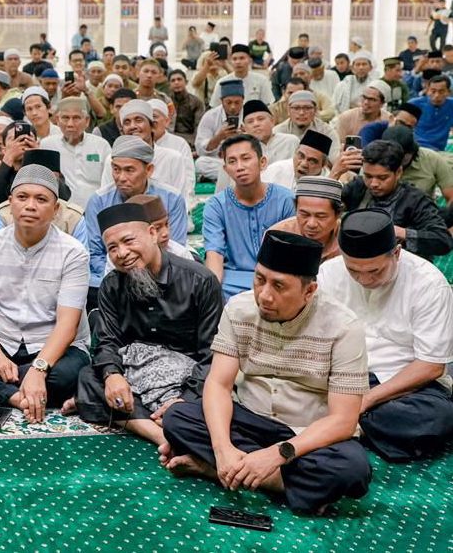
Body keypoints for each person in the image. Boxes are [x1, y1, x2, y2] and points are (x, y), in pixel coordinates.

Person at [160, 230, 372, 514]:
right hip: (250, 418)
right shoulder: (238, 309)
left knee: (352, 468)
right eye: (260, 279)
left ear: (309, 291)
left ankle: (218, 470)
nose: (265, 295)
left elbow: (343, 421)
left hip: (306, 432)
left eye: (279, 286)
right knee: (177, 417)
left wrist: (277, 454)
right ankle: (250, 472)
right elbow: (219, 385)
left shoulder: (344, 327)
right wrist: (222, 449)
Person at [75, 203, 222, 447]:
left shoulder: (201, 280)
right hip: (135, 372)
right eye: (112, 248)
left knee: (211, 402)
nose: (122, 253)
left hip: (187, 379)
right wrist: (112, 375)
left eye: (128, 241)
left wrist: (185, 398)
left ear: (153, 233)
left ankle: (144, 415)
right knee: (89, 376)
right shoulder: (111, 285)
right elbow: (108, 341)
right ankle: (159, 435)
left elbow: (213, 353)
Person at [317, 209, 453, 462]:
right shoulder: (329, 272)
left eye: (375, 271)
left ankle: (340, 420)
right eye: (353, 271)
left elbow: (431, 365)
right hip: (342, 373)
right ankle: (352, 421)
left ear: (397, 253)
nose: (364, 279)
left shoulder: (429, 285)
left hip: (402, 385)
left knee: (438, 417)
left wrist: (366, 400)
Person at [0, 164, 89, 420]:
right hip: (3, 339)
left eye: (41, 199)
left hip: (52, 346)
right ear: (10, 203)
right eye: (22, 197)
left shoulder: (73, 253)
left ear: (56, 209)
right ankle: (16, 395)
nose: (30, 206)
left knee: (67, 375)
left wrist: (39, 369)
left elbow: (67, 324)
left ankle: (7, 385)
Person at [81, 136, 188, 300]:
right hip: (116, 272)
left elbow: (174, 246)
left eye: (129, 170)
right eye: (116, 169)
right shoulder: (99, 201)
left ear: (149, 170)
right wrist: (121, 276)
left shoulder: (172, 198)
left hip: (163, 275)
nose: (121, 177)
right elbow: (95, 253)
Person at [203, 134, 296, 299]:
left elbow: (292, 252)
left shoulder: (286, 200)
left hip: (276, 278)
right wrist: (212, 291)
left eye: (246, 158)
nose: (239, 167)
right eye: (232, 161)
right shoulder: (216, 205)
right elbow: (214, 253)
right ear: (225, 169)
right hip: (232, 282)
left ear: (262, 162)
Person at [341, 140, 453, 260]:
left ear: (398, 172)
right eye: (368, 176)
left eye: (382, 177)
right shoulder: (359, 187)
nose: (373, 184)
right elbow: (330, 206)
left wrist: (401, 233)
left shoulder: (415, 200)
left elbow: (442, 240)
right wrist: (336, 173)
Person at [215, 99, 298, 191]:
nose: (256, 124)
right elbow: (223, 186)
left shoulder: (290, 141)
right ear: (244, 128)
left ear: (272, 121)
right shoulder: (238, 147)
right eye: (250, 121)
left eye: (260, 119)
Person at [269, 176, 345, 261]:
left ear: (338, 214)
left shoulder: (349, 241)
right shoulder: (277, 237)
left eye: (321, 216)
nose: (311, 224)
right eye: (304, 215)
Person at [262, 129, 336, 190]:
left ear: (323, 165)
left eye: (312, 161)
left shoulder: (329, 182)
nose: (304, 164)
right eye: (301, 156)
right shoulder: (276, 170)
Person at [408, 74, 453, 151]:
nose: (436, 95)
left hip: (439, 150)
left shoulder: (451, 105)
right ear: (427, 91)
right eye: (433, 91)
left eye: (441, 91)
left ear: (448, 92)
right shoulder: (414, 104)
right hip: (417, 148)